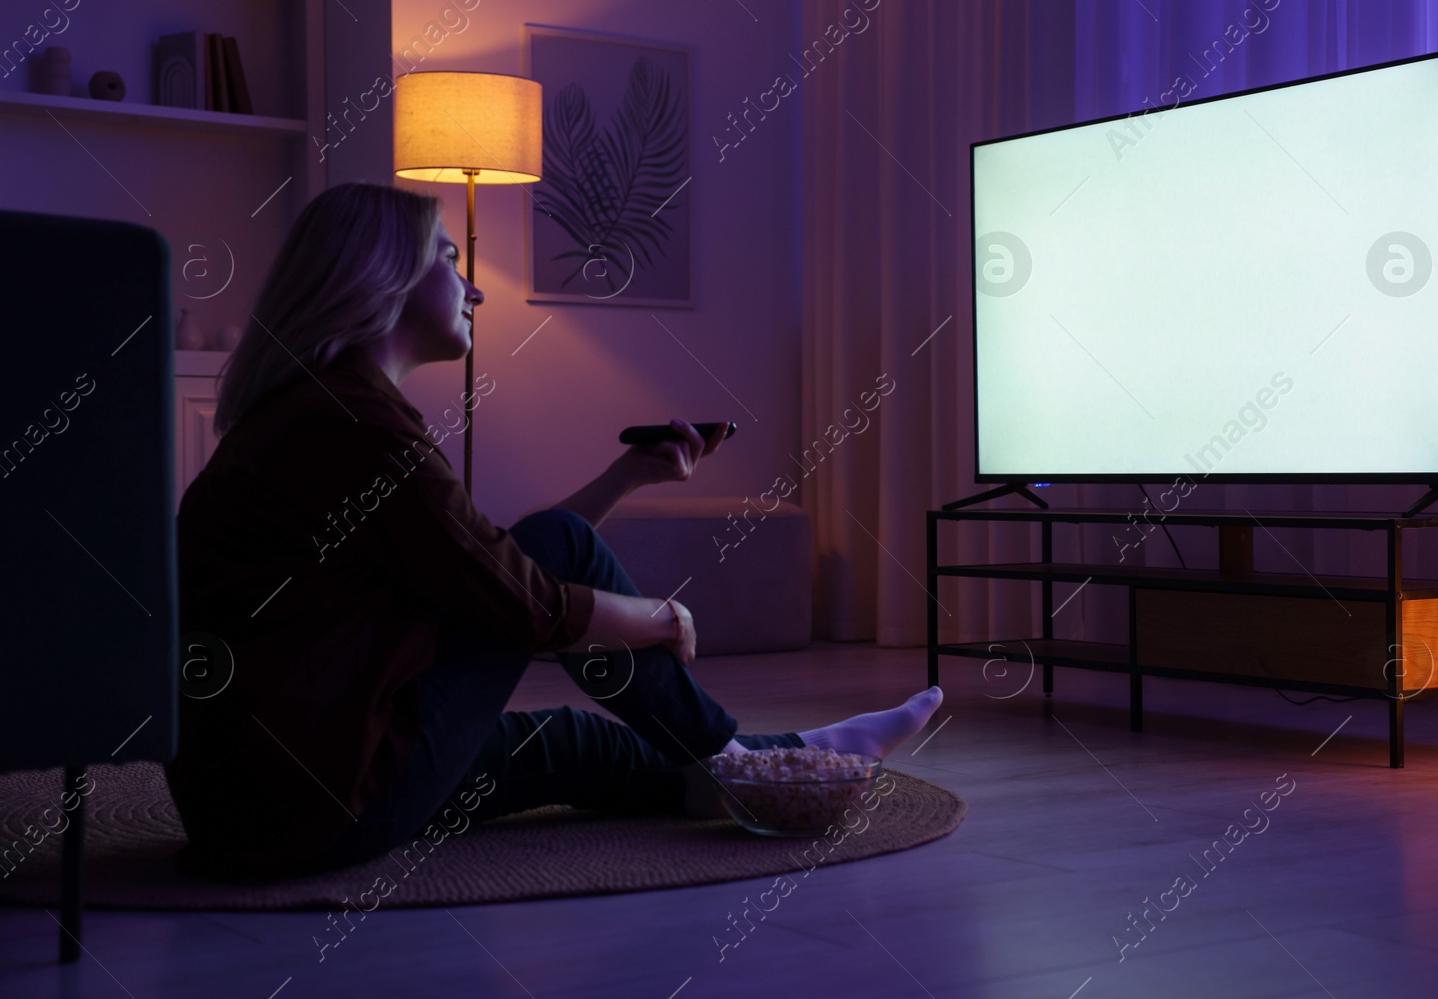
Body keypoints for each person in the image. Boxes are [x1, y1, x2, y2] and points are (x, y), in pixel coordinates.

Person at [164, 182, 942, 881]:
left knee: (575, 742)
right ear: (384, 275)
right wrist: (661, 617)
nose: (473, 289)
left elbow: (479, 565)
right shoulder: (358, 426)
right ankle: (739, 763)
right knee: (559, 556)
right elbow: (527, 603)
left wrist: (629, 476)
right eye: (448, 258)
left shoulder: (313, 411)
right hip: (326, 800)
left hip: (252, 812)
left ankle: (792, 756)